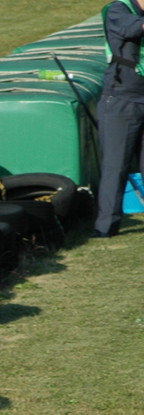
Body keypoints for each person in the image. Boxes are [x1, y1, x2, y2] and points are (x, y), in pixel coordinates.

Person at [95, 0, 144, 238]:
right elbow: (131, 29)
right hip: (122, 99)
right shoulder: (118, 9)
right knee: (116, 165)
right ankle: (106, 227)